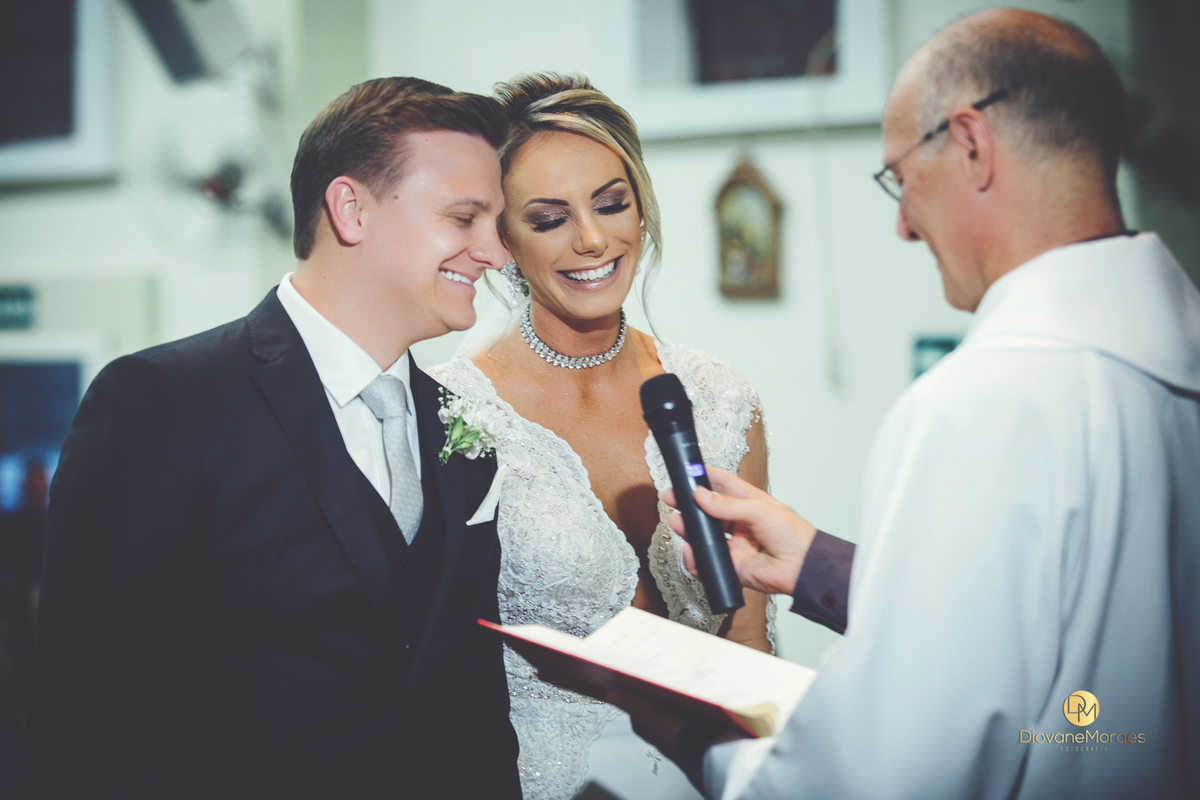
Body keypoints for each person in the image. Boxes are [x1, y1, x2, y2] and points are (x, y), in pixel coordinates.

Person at [613, 9, 1200, 799]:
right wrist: (821, 564)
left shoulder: (984, 400)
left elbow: (882, 775)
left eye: (899, 178)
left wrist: (692, 736)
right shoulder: (1170, 351)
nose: (901, 226)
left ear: (969, 144)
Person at [24, 78, 522, 799]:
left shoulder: (464, 431)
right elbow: (82, 719)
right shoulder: (163, 404)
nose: (495, 254)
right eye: (465, 217)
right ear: (351, 210)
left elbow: (472, 701)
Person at [430, 72, 781, 800]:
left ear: (642, 213)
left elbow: (749, 636)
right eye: (549, 217)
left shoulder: (719, 398)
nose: (593, 239)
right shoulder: (450, 409)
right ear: (504, 239)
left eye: (612, 204)